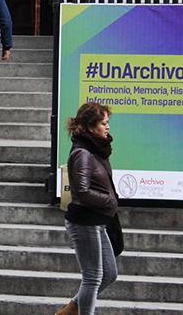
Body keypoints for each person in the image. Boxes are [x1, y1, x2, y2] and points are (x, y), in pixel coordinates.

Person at [56, 102, 119, 315]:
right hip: (85, 220)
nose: (107, 127)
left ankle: (71, 309)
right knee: (92, 276)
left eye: (107, 122)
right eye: (103, 123)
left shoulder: (96, 149)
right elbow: (81, 192)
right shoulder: (82, 153)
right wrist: (108, 201)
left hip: (98, 220)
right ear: (91, 127)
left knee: (109, 273)